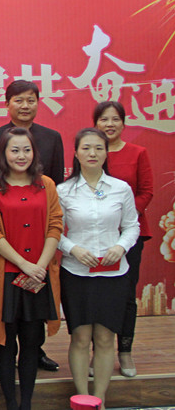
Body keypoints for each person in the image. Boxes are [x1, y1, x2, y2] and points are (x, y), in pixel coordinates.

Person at [0, 79, 64, 372]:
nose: (25, 106)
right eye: (18, 100)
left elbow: (56, 187)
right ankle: (4, 357)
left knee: (35, 311)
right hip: (7, 237)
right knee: (6, 311)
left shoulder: (52, 138)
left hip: (39, 236)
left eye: (31, 100)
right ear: (7, 104)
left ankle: (35, 352)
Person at [57, 128, 139, 409]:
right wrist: (73, 249)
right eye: (86, 148)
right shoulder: (63, 190)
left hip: (113, 273)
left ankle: (100, 400)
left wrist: (121, 246)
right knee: (80, 337)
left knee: (105, 338)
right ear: (76, 153)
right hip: (76, 272)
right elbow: (53, 231)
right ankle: (83, 399)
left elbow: (132, 226)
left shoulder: (121, 188)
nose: (92, 153)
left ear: (106, 153)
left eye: (98, 148)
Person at [93, 101, 153, 377]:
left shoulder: (137, 153)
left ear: (123, 123)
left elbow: (146, 192)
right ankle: (98, 352)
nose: (109, 124)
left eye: (115, 119)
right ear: (95, 124)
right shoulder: (92, 153)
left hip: (128, 234)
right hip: (95, 234)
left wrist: (122, 218)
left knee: (126, 294)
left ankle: (125, 351)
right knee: (98, 295)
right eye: (104, 119)